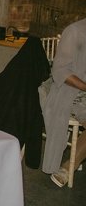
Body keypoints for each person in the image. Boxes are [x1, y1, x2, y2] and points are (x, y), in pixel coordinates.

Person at [41, 18, 86, 187]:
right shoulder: (75, 31)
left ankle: (75, 158)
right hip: (69, 90)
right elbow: (60, 70)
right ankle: (68, 168)